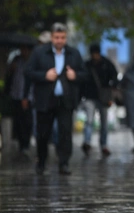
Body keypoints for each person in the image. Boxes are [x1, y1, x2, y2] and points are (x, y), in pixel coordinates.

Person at [24, 23, 88, 175]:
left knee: (65, 132)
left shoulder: (74, 54)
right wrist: (44, 76)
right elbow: (28, 72)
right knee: (43, 133)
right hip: (45, 99)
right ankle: (42, 162)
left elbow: (85, 75)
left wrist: (75, 76)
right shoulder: (40, 53)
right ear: (52, 37)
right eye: (56, 37)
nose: (59, 40)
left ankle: (64, 163)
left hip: (66, 100)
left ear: (66, 38)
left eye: (62, 38)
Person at [81, 43, 119, 158]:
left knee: (103, 123)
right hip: (90, 96)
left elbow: (115, 77)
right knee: (90, 121)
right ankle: (88, 142)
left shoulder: (106, 64)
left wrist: (111, 91)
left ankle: (103, 144)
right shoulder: (88, 65)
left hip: (103, 97)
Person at [4, 44, 34, 159]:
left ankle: (25, 144)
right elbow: (9, 75)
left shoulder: (31, 61)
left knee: (27, 122)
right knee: (18, 121)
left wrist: (26, 97)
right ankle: (21, 143)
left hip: (28, 96)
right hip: (15, 95)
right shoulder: (16, 60)